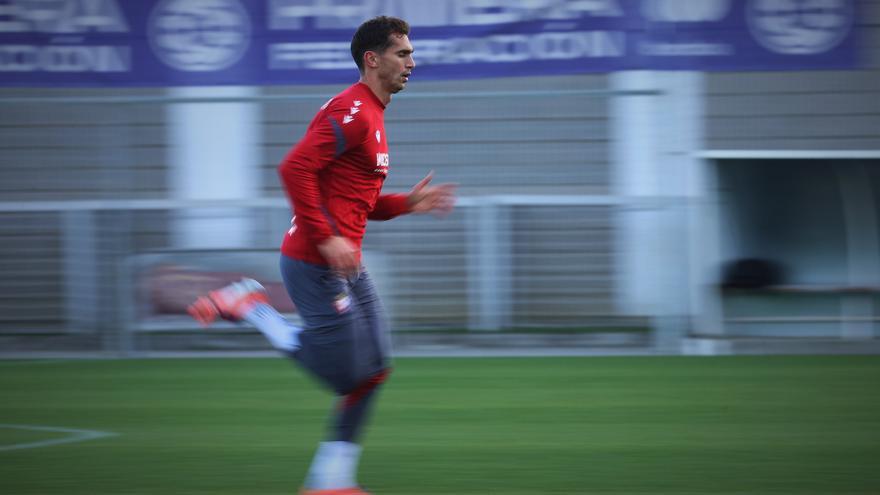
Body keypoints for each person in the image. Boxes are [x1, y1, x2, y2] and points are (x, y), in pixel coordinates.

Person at [187, 16, 456, 495]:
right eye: (403, 53)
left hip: (347, 264)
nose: (412, 62)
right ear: (372, 59)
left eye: (411, 53)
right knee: (345, 375)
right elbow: (294, 168)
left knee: (374, 370)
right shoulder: (354, 111)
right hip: (314, 263)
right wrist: (329, 238)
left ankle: (331, 481)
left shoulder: (372, 114)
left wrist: (406, 204)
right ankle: (251, 306)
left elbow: (359, 203)